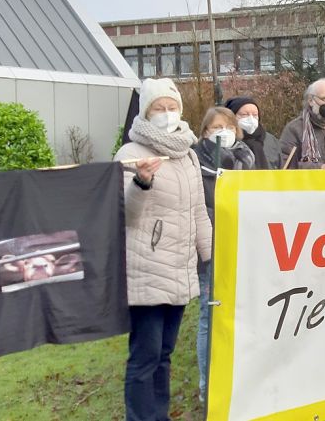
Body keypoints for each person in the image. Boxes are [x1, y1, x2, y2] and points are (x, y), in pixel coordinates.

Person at [113, 78, 212, 421]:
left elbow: (199, 210)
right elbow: (125, 214)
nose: (167, 114)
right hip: (146, 270)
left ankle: (159, 415)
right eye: (160, 108)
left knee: (165, 353)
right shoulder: (130, 155)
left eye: (172, 108)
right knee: (145, 355)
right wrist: (142, 181)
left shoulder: (188, 155)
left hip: (180, 270)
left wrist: (212, 256)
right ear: (146, 112)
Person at [190, 106, 250, 401]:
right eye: (215, 127)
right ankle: (207, 385)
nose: (221, 132)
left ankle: (238, 378)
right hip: (211, 247)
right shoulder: (194, 162)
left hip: (244, 244)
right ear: (204, 132)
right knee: (209, 316)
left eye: (227, 126)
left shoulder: (246, 158)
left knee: (241, 314)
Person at [225, 96, 283, 169]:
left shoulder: (271, 141)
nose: (251, 118)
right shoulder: (225, 140)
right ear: (232, 116)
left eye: (255, 114)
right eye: (244, 115)